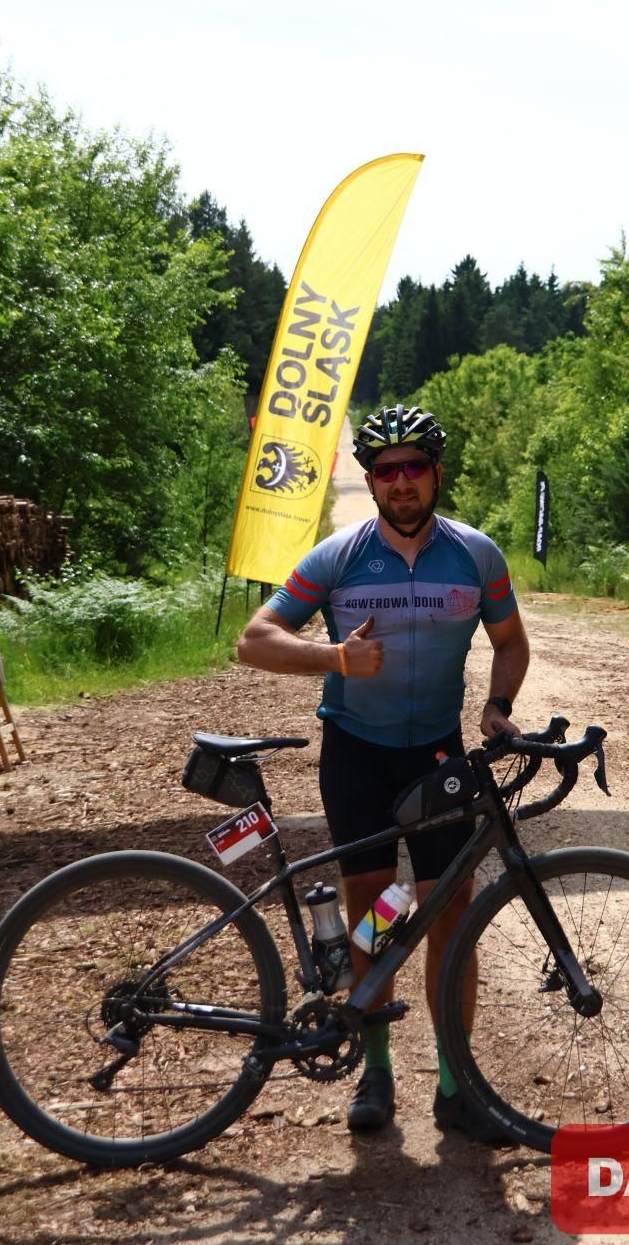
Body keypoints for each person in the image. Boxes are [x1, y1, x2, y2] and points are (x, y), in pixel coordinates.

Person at [237, 403, 530, 1141]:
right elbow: (254, 640)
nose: (402, 482)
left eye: (414, 467)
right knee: (376, 912)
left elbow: (510, 641)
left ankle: (456, 1085)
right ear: (369, 481)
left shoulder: (476, 555)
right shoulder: (337, 557)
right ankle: (375, 1071)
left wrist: (497, 706)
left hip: (437, 754)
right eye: (386, 470)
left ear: (436, 474)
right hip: (358, 754)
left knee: (449, 913)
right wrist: (335, 657)